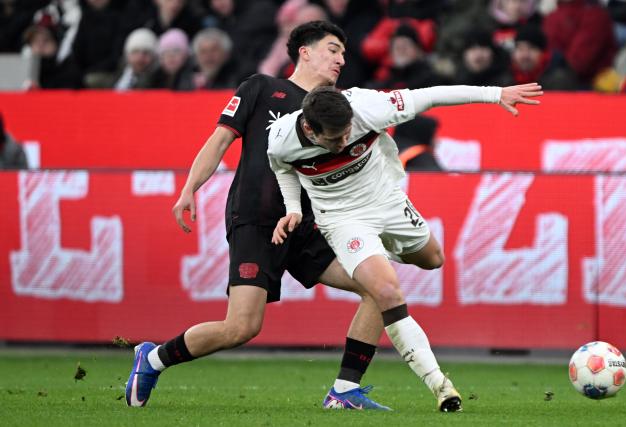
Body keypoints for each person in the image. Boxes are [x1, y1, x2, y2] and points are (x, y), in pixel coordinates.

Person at [125, 21, 390, 411]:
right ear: (305, 51)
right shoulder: (261, 88)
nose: (341, 59)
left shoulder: (338, 110)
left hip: (306, 224)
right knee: (241, 327)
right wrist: (189, 189)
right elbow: (219, 141)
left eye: (344, 54)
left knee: (380, 291)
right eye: (333, 49)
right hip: (257, 220)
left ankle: (344, 392)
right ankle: (151, 359)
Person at [266, 82, 543, 412]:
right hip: (343, 220)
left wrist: (494, 94)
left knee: (433, 258)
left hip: (387, 201)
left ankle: (377, 253)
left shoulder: (368, 107)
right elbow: (282, 168)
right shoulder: (281, 138)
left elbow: (429, 97)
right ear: (309, 128)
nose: (343, 143)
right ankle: (440, 384)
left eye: (347, 134)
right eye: (334, 138)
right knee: (387, 293)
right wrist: (293, 208)